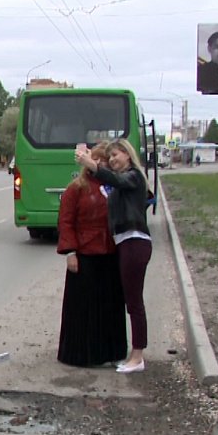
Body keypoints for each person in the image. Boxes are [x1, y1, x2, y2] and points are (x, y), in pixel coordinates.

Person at [75, 139, 152, 374]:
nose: (113, 160)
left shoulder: (134, 176)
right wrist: (93, 164)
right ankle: (134, 354)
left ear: (128, 155)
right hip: (126, 243)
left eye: (117, 155)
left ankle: (137, 356)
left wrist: (92, 163)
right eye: (110, 158)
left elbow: (115, 179)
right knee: (131, 300)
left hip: (134, 242)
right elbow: (108, 181)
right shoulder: (121, 182)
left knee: (134, 302)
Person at [56, 141, 127, 367]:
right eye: (97, 160)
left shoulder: (115, 187)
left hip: (111, 253)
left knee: (110, 305)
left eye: (106, 161)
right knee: (83, 308)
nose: (101, 164)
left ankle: (109, 352)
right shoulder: (76, 188)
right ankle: (80, 354)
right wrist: (70, 252)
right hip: (85, 254)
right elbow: (66, 222)